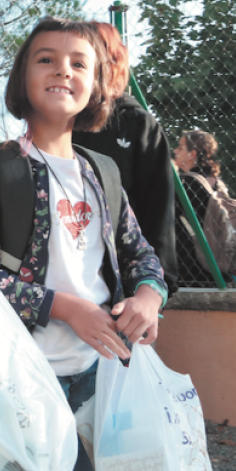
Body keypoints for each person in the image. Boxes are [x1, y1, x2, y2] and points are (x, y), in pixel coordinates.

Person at [0, 17, 167, 471]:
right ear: (21, 79)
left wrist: (149, 296)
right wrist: (66, 308)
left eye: (79, 63)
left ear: (97, 85)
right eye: (46, 60)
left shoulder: (103, 172)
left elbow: (140, 253)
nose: (63, 71)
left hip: (104, 378)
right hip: (24, 382)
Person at [73, 22, 178, 294]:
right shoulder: (59, 122)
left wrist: (154, 287)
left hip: (126, 280)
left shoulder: (139, 125)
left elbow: (159, 209)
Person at [172, 131, 226, 287]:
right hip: (215, 257)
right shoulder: (217, 182)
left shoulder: (186, 183)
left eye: (180, 148)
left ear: (192, 154)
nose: (175, 151)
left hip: (190, 261)